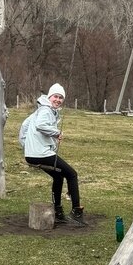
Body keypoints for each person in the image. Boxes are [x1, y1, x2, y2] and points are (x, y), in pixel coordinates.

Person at [20, 82, 86, 227]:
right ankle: (76, 212)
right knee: (72, 174)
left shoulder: (41, 110)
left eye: (61, 98)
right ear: (49, 97)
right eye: (55, 96)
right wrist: (57, 132)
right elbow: (41, 126)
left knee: (58, 176)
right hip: (40, 153)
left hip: (35, 153)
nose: (58, 100)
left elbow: (25, 125)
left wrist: (26, 147)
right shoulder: (46, 110)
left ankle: (58, 212)